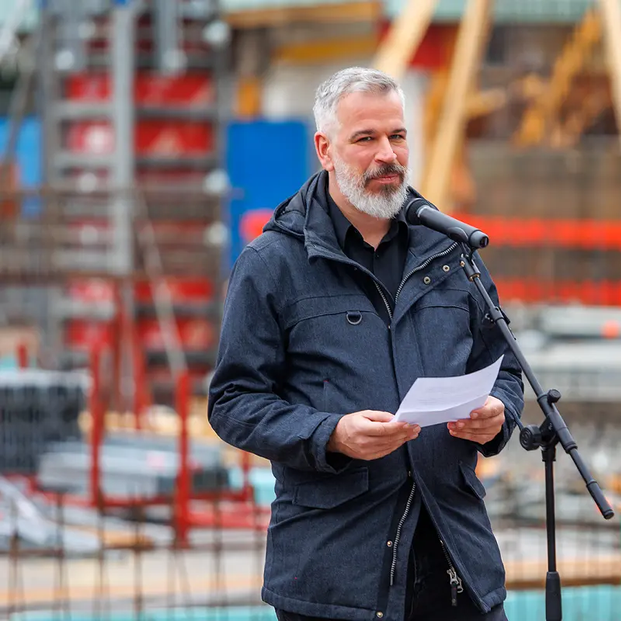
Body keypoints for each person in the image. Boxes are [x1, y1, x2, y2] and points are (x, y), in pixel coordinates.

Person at [207, 67, 525, 621]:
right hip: (335, 575)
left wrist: (499, 412)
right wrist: (331, 434)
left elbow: (506, 367)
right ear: (325, 149)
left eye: (397, 136)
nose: (388, 154)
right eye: (366, 138)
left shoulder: (453, 253)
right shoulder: (273, 265)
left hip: (456, 559)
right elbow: (232, 402)